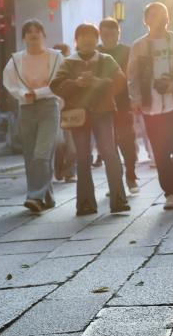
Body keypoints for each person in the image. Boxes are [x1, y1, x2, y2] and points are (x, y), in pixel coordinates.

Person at [50, 24, 130, 215]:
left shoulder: (106, 59)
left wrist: (99, 83)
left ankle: (118, 200)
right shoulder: (69, 62)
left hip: (103, 113)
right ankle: (85, 203)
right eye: (82, 36)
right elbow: (56, 85)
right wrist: (75, 83)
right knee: (83, 157)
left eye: (91, 36)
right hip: (79, 115)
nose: (87, 39)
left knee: (109, 153)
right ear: (76, 40)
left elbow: (120, 81)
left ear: (97, 39)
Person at [127, 2, 173, 211]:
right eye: (153, 15)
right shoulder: (139, 46)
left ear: (168, 19)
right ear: (146, 20)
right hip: (151, 107)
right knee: (160, 151)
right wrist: (136, 98)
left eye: (163, 15)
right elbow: (133, 76)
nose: (159, 19)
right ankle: (170, 193)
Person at [2, 20, 63, 213]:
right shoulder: (16, 59)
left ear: (44, 34)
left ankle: (34, 196)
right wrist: (22, 94)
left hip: (48, 107)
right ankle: (47, 197)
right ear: (24, 37)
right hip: (26, 108)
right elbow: (9, 82)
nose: (33, 34)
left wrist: (39, 93)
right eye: (29, 31)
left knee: (41, 154)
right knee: (31, 156)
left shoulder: (55, 57)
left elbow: (59, 82)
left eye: (38, 30)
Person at [98, 18, 139, 191]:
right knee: (108, 145)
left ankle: (131, 173)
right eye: (105, 34)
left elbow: (134, 75)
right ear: (100, 34)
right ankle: (115, 181)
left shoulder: (127, 51)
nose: (108, 38)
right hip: (101, 105)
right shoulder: (95, 52)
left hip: (123, 103)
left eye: (112, 34)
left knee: (127, 140)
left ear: (118, 34)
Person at [50, 43, 76, 183]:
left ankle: (70, 172)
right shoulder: (51, 70)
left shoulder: (71, 69)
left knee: (72, 146)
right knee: (59, 144)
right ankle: (59, 170)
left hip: (70, 110)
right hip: (55, 111)